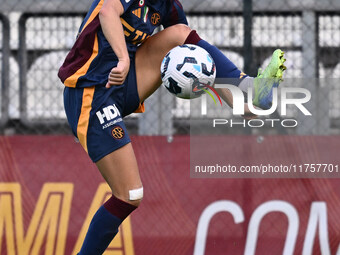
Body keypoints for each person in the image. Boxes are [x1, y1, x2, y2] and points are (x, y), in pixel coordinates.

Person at [58, 0, 286, 253]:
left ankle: (246, 93)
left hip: (124, 84)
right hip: (90, 91)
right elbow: (107, 11)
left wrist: (223, 95)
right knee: (129, 195)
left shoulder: (168, 5)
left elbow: (193, 57)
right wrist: (123, 59)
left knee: (180, 35)